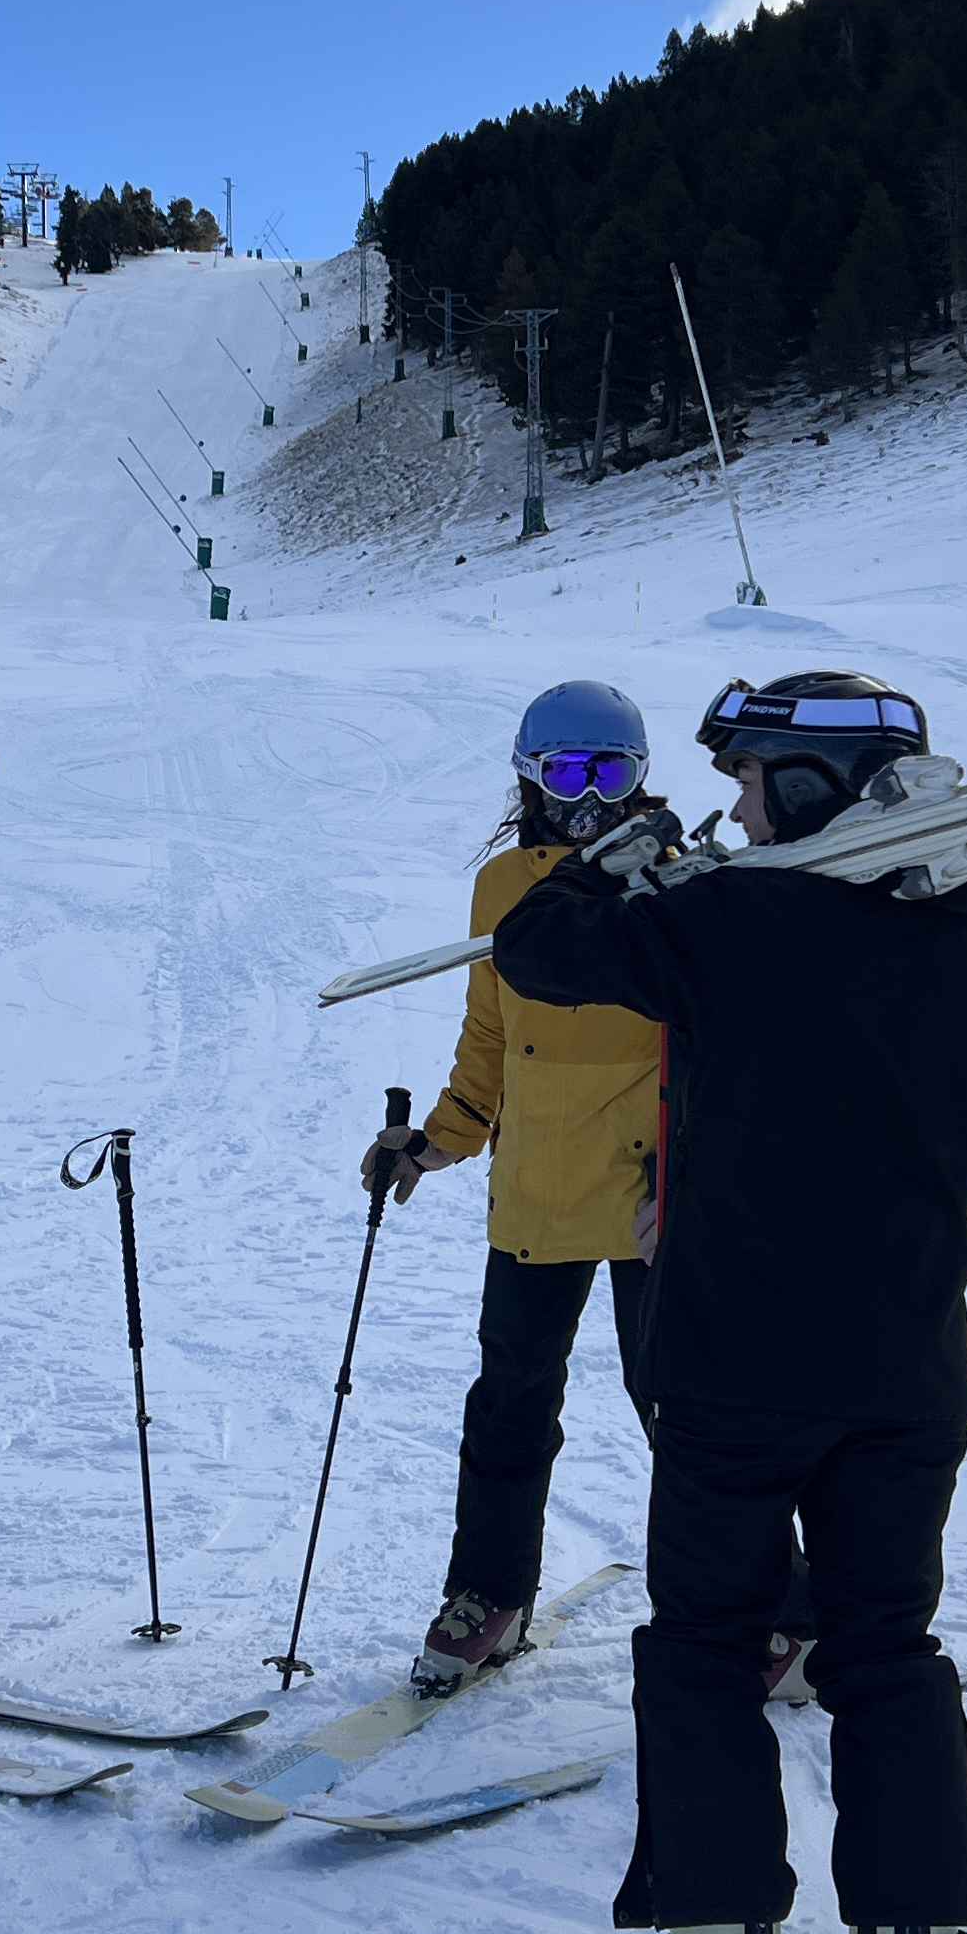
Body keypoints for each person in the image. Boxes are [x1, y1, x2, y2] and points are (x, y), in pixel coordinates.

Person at [489, 669, 967, 1934]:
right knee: (883, 1649)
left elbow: (535, 949)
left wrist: (617, 869)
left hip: (731, 1377)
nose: (737, 807)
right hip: (901, 1383)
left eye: (756, 781)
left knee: (704, 1649)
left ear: (816, 791)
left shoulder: (723, 923)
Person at [357, 682, 677, 1697]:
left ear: (641, 778)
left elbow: (713, 1040)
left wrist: (690, 1174)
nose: (590, 797)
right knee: (509, 1401)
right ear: (529, 777)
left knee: (682, 1407)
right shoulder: (503, 885)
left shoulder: (677, 879)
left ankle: (763, 1599)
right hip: (539, 1180)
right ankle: (488, 1593)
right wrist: (439, 1141)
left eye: (612, 772)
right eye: (568, 772)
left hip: (650, 1193)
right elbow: (492, 1030)